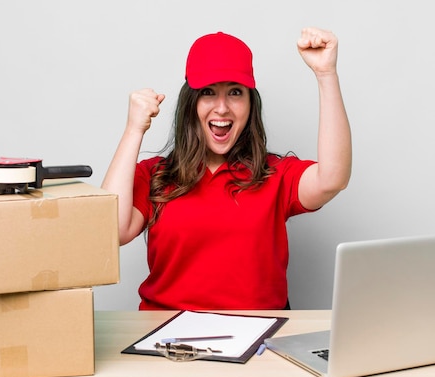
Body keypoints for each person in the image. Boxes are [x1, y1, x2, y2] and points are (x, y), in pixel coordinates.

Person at [102, 27, 352, 310]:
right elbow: (110, 231)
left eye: (235, 93)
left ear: (250, 104)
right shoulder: (156, 175)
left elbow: (332, 178)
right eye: (208, 93)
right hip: (168, 338)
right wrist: (134, 129)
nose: (222, 108)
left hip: (259, 338)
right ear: (191, 104)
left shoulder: (276, 174)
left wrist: (326, 74)